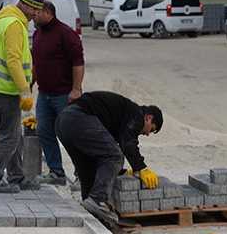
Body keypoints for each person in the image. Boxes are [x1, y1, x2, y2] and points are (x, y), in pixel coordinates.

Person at [55, 91, 163, 222]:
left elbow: (104, 155)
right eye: (151, 129)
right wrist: (141, 168)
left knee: (88, 163)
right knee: (115, 156)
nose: (147, 134)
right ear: (148, 118)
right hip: (79, 118)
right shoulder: (137, 114)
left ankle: (90, 204)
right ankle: (97, 199)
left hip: (63, 121)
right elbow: (128, 143)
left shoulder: (123, 116)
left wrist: (121, 171)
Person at [0, 0, 45, 193]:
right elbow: (13, 61)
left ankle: (17, 176)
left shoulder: (3, 20)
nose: (37, 14)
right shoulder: (15, 25)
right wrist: (25, 90)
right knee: (9, 137)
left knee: (13, 135)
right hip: (4, 92)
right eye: (35, 10)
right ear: (26, 5)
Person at [32, 0, 85, 186]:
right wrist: (29, 84)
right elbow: (36, 63)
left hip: (65, 95)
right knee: (44, 131)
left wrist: (76, 89)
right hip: (44, 94)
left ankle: (82, 175)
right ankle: (56, 172)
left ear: (48, 12)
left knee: (71, 135)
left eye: (36, 12)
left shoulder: (66, 34)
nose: (33, 15)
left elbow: (78, 63)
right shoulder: (38, 34)